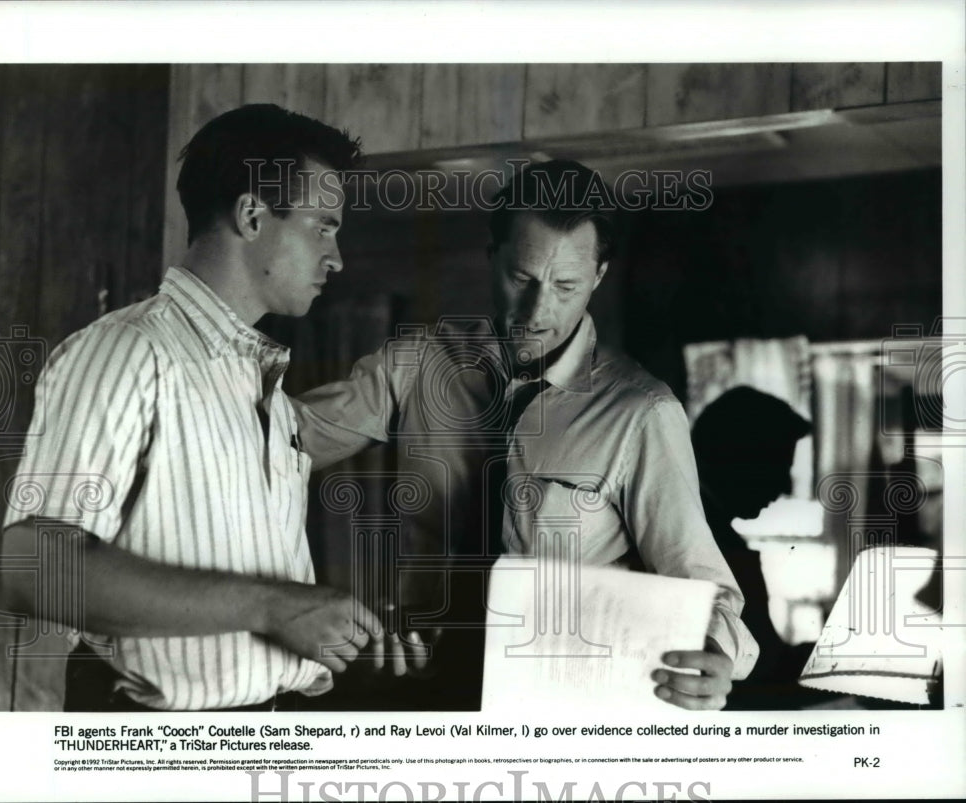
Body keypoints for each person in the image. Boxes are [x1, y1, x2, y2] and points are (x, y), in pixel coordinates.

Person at [0, 104, 423, 712]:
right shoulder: (129, 352)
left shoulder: (259, 386)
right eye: (323, 227)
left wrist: (338, 637)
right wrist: (275, 605)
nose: (337, 257)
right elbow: (30, 567)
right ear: (252, 215)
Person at [295, 159, 757, 710]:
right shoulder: (417, 368)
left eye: (566, 286)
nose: (539, 311)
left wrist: (717, 654)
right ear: (492, 260)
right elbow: (280, 439)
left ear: (599, 277)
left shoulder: (642, 412)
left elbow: (705, 587)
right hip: (423, 702)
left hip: (561, 721)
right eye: (522, 279)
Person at [690, 385, 816, 709]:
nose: (785, 486)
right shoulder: (703, 540)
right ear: (737, 456)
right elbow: (752, 682)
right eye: (779, 464)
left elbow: (765, 657)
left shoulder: (717, 530)